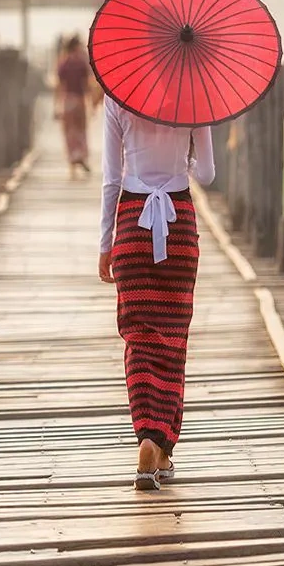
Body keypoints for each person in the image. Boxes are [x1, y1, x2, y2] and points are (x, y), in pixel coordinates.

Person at [98, 96, 215, 490]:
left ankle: (150, 441)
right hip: (179, 224)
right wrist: (188, 157)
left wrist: (105, 244)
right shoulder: (195, 94)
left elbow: (111, 179)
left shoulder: (117, 95)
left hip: (132, 224)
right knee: (172, 339)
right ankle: (160, 440)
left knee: (139, 337)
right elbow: (208, 175)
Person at [54, 36, 92, 178]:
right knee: (81, 130)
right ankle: (80, 155)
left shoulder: (63, 63)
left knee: (69, 132)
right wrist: (91, 102)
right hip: (80, 100)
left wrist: (56, 105)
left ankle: (72, 164)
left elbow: (59, 86)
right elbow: (86, 85)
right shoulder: (81, 63)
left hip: (67, 100)